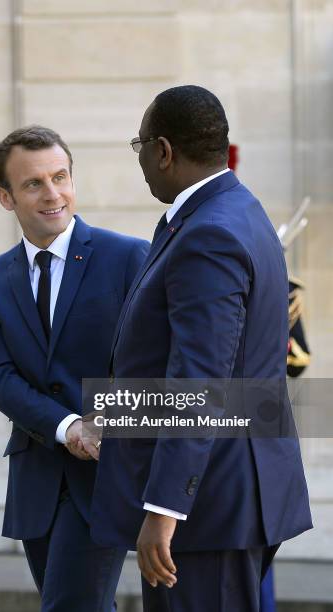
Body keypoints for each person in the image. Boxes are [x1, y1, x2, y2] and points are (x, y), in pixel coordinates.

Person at [90, 85, 313, 611]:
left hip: (206, 505)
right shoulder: (237, 209)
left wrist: (164, 507)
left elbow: (197, 380)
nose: (140, 158)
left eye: (139, 144)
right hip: (229, 489)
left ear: (163, 150)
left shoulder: (208, 233)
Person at [0, 125, 149, 611]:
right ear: (6, 198)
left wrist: (102, 422)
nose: (53, 194)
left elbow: (148, 361)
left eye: (61, 177)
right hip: (37, 476)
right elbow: (0, 378)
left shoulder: (128, 257)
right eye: (34, 184)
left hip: (106, 472)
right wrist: (67, 426)